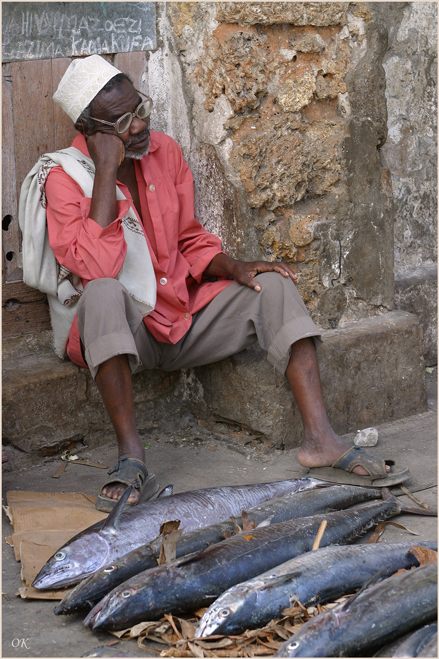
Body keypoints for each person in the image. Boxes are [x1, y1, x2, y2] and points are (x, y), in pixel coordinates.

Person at [20, 55, 409, 512]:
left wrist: (233, 266)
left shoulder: (164, 151)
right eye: (122, 121)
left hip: (181, 316)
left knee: (274, 286)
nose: (140, 126)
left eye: (140, 109)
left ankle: (320, 438)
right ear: (93, 129)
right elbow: (96, 267)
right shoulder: (65, 179)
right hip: (125, 333)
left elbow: (188, 239)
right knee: (103, 291)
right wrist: (105, 172)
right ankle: (131, 459)